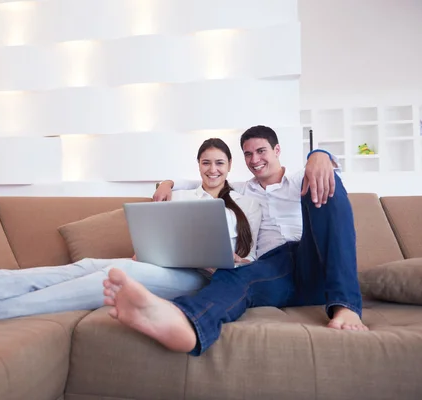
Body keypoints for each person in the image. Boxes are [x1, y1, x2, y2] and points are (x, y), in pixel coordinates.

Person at [0, 138, 261, 326]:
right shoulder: (179, 195)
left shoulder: (247, 202)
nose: (212, 169)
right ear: (197, 165)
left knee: (117, 274)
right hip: (166, 267)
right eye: (205, 162)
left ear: (229, 168)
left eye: (219, 163)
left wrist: (235, 261)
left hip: (205, 278)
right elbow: (160, 234)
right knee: (89, 264)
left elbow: (254, 258)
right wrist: (151, 247)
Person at [102, 125, 368, 356]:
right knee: (234, 274)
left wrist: (319, 155)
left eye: (261, 151)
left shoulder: (302, 177)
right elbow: (206, 178)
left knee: (325, 183)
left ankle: (346, 306)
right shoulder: (244, 189)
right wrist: (167, 182)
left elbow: (325, 169)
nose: (254, 159)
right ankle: (186, 322)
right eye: (248, 154)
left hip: (313, 260)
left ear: (277, 151)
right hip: (275, 273)